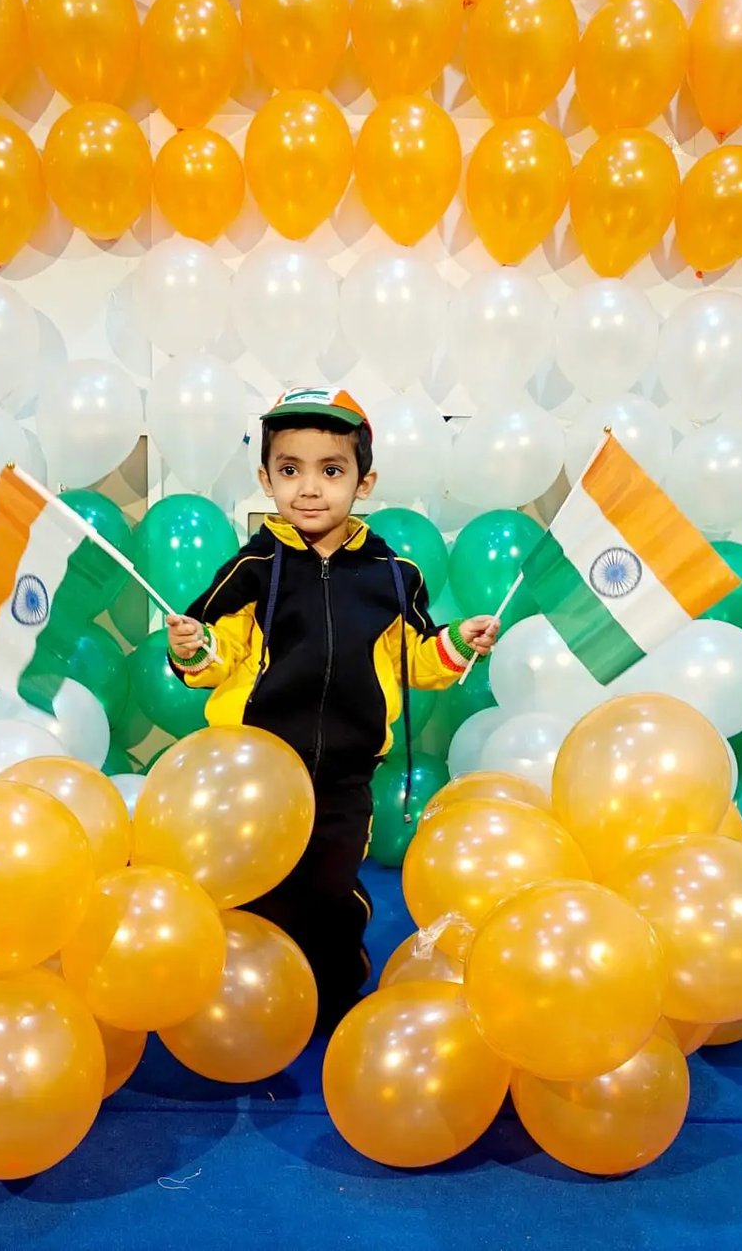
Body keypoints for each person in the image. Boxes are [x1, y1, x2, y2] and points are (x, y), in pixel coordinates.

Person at [166, 387, 500, 1031]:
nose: (310, 489)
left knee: (329, 883)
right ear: (266, 479)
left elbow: (417, 661)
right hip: (258, 770)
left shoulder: (393, 576)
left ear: (364, 481)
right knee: (257, 884)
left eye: (331, 471)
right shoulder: (251, 570)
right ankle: (253, 995)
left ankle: (332, 993)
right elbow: (217, 662)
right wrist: (194, 647)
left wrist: (458, 642)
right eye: (290, 471)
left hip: (344, 773)